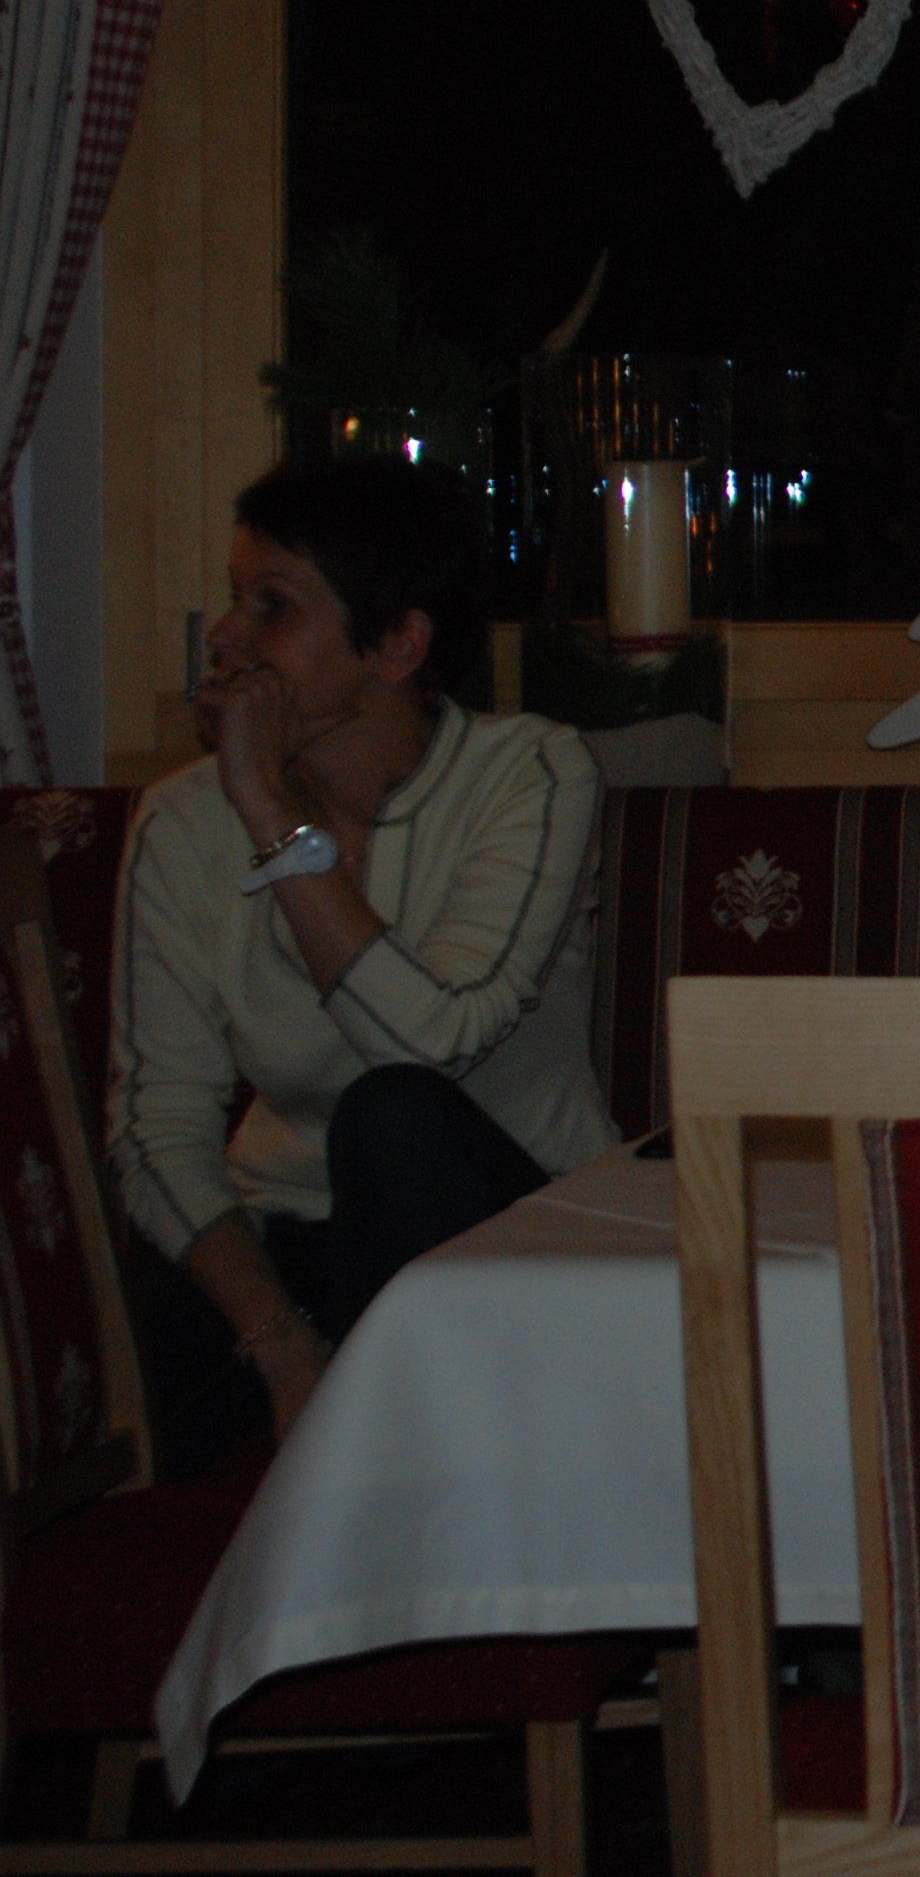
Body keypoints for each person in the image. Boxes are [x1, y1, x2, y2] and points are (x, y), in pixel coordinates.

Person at [109, 459, 616, 1475]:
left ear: (397, 645)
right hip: (298, 1257)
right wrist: (280, 1344)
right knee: (169, 1291)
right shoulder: (181, 820)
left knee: (392, 1117)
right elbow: (156, 1122)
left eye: (274, 608)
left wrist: (270, 814)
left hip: (505, 1237)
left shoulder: (530, 772)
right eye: (233, 599)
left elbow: (432, 1046)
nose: (226, 637)